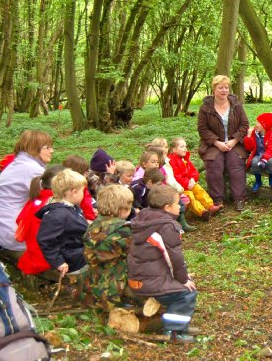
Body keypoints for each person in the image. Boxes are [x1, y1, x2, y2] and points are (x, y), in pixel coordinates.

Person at [128, 185, 198, 343]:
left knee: (182, 289)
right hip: (149, 281)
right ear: (167, 207)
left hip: (138, 278)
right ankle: (174, 331)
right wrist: (183, 279)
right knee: (186, 294)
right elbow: (174, 257)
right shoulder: (167, 226)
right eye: (177, 203)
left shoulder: (145, 217)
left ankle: (179, 325)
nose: (180, 206)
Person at [0, 130, 54, 253]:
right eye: (47, 147)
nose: (52, 151)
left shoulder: (19, 164)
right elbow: (57, 196)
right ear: (34, 148)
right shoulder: (31, 169)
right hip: (11, 232)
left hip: (1, 227)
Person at [198, 75, 249, 212]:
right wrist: (216, 142)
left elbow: (244, 125)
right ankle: (217, 200)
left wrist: (234, 140)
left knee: (236, 164)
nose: (224, 90)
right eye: (220, 88)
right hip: (213, 145)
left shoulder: (236, 105)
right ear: (214, 89)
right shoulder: (205, 108)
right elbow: (202, 129)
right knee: (214, 165)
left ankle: (239, 199)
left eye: (226, 87)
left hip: (234, 144)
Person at [83, 184, 135, 310]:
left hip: (93, 277)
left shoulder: (94, 224)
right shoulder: (123, 229)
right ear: (123, 209)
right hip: (116, 280)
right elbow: (134, 253)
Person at [36, 169, 90, 277]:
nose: (83, 194)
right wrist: (58, 261)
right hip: (73, 260)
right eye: (82, 191)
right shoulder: (57, 215)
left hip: (78, 252)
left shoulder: (70, 207)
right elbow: (46, 240)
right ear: (74, 192)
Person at [16, 165, 66, 275]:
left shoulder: (36, 200)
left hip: (33, 255)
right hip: (47, 259)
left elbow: (20, 220)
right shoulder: (56, 204)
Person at [168, 137, 219, 220]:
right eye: (181, 147)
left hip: (190, 183)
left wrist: (193, 179)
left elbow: (194, 171)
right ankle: (202, 211)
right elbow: (176, 177)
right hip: (180, 188)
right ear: (174, 149)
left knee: (199, 190)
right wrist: (187, 184)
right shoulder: (172, 161)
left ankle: (210, 206)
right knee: (190, 196)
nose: (185, 149)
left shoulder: (185, 159)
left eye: (185, 146)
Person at [243, 112, 272, 192]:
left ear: (265, 126)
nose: (256, 124)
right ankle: (258, 181)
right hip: (258, 154)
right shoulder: (254, 134)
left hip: (270, 155)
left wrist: (264, 160)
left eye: (259, 123)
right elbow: (249, 148)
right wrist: (249, 136)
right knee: (254, 162)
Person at [63, 154, 97, 221]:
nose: (87, 175)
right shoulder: (80, 188)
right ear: (78, 173)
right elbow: (87, 205)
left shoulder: (59, 185)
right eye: (85, 173)